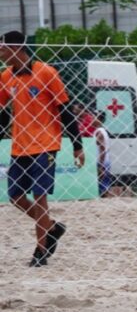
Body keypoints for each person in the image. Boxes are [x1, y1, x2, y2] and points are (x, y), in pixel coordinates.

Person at [0, 30, 85, 267]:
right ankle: (52, 227)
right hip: (19, 145)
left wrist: (77, 145)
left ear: (16, 48)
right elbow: (4, 113)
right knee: (16, 197)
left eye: (2, 49)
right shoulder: (6, 76)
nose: (0, 53)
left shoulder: (46, 72)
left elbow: (65, 110)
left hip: (46, 144)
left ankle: (41, 250)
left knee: (39, 198)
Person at [94, 112, 114, 197]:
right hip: (106, 160)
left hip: (102, 161)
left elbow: (102, 148)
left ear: (99, 119)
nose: (91, 119)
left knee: (102, 184)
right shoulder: (103, 131)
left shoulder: (99, 132)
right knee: (105, 184)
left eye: (94, 117)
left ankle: (107, 195)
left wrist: (101, 165)